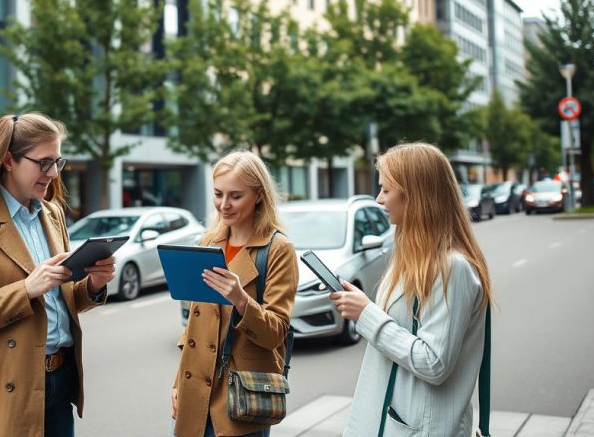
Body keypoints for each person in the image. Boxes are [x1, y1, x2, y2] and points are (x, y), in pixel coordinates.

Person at [0, 112, 116, 437]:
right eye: (43, 163)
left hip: (60, 379)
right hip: (6, 386)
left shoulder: (53, 212)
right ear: (7, 160)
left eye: (58, 162)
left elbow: (60, 297)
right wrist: (25, 290)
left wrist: (94, 285)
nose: (53, 173)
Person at [330, 143, 494, 436]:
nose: (379, 199)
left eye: (386, 190)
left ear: (415, 195)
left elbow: (434, 364)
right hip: (393, 422)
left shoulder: (452, 268)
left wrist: (366, 315)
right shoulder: (410, 259)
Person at [171, 150, 299, 437]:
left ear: (258, 195)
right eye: (218, 194)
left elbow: (275, 332)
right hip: (195, 391)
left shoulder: (278, 249)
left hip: (241, 396)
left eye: (235, 196)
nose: (223, 205)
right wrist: (179, 381)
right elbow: (195, 325)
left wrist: (241, 300)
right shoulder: (208, 241)